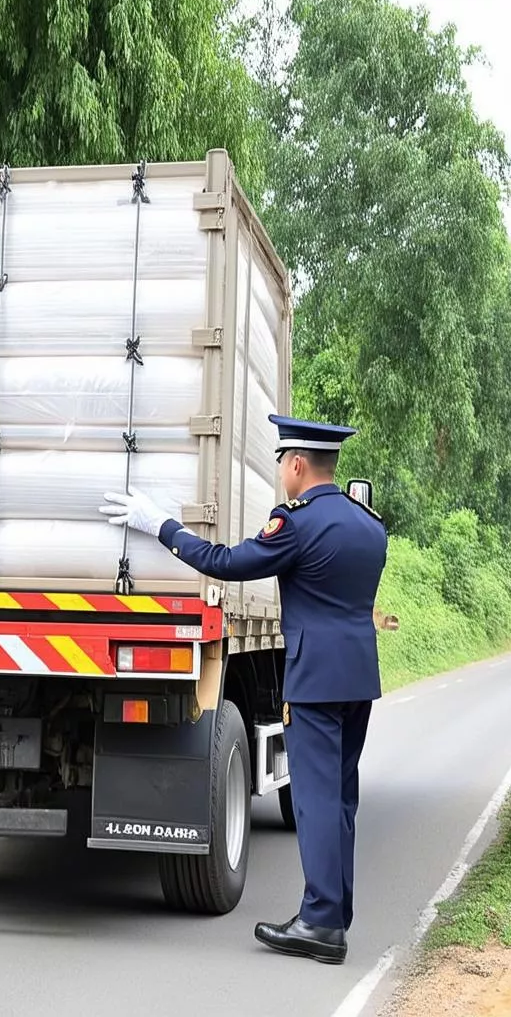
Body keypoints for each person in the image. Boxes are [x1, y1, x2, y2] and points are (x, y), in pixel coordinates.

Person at [100, 414, 388, 965]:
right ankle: (336, 913)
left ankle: (322, 923)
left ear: (298, 464)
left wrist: (159, 525)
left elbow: (225, 564)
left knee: (316, 801)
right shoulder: (367, 525)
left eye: (283, 463)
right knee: (341, 799)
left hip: (316, 683)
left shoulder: (298, 524)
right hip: (359, 679)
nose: (282, 473)